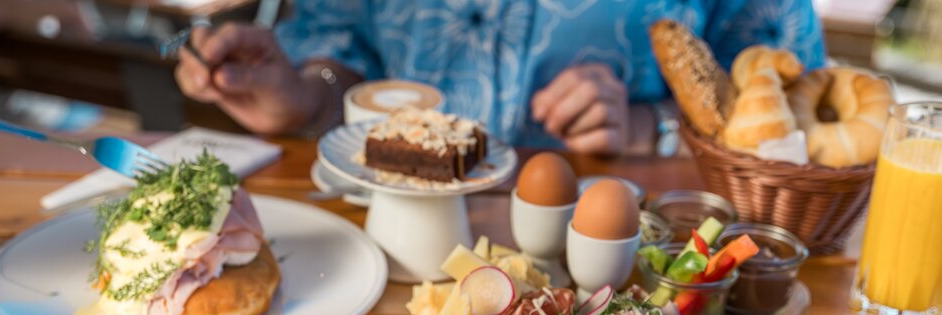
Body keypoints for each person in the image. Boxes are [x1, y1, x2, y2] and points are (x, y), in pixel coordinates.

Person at [175, 1, 824, 155]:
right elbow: (337, 56)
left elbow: (798, 118)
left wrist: (646, 126)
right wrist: (304, 94)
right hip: (380, 229)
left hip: (627, 246)